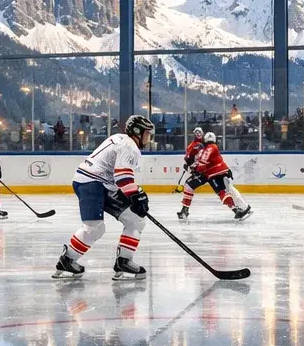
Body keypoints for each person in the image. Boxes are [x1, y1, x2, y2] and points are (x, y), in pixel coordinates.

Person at [55, 114, 154, 281]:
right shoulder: (129, 146)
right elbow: (123, 177)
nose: (149, 138)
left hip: (100, 184)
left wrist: (135, 195)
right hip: (90, 183)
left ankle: (124, 261)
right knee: (95, 228)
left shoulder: (120, 139)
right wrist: (136, 196)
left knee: (136, 219)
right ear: (137, 132)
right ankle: (67, 260)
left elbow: (119, 178)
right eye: (147, 133)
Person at [178, 131, 252, 221]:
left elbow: (202, 161)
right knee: (223, 191)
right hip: (209, 174)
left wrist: (194, 169)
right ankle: (237, 210)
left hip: (213, 173)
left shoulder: (209, 148)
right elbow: (200, 161)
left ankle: (239, 209)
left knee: (224, 191)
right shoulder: (207, 147)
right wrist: (191, 167)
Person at [177, 127, 206, 220]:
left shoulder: (198, 145)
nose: (198, 134)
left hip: (204, 172)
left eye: (199, 132)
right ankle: (184, 210)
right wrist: (188, 165)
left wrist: (191, 165)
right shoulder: (195, 145)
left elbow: (190, 158)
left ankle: (185, 210)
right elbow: (189, 158)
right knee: (222, 189)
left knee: (188, 186)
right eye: (196, 132)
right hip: (204, 172)